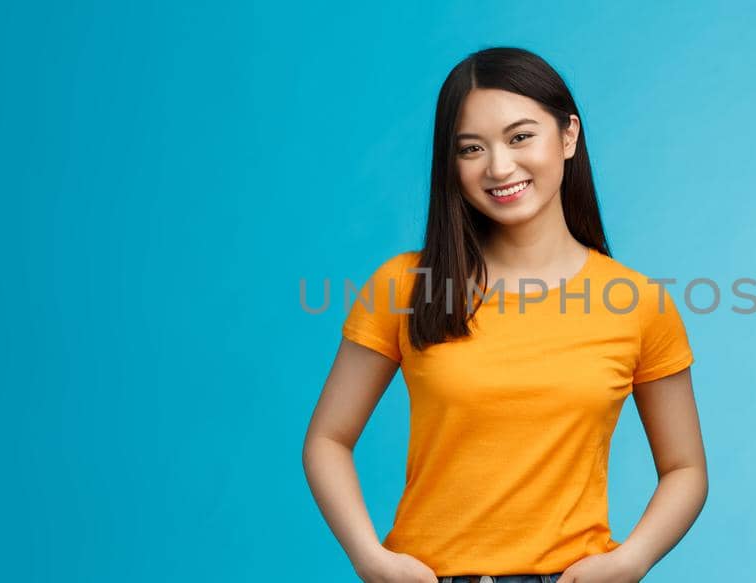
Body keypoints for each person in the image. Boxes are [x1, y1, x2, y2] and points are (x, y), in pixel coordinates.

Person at [303, 47, 708, 583]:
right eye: (471, 148)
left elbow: (685, 469)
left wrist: (632, 559)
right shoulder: (405, 286)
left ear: (567, 137)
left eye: (520, 137)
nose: (499, 167)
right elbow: (328, 439)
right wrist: (369, 558)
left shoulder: (637, 302)